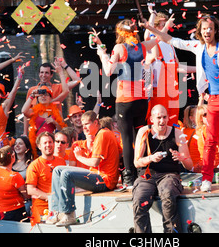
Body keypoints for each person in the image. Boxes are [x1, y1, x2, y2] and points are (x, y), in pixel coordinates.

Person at [145, 14, 219, 192]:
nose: (207, 31)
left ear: (215, 31)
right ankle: (207, 178)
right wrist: (152, 29)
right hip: (214, 98)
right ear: (200, 31)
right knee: (210, 140)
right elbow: (172, 40)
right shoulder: (198, 47)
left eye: (210, 28)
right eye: (204, 28)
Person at [92, 19, 160, 186]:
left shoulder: (119, 48)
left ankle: (129, 179)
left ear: (119, 33)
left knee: (127, 137)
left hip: (126, 100)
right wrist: (152, 26)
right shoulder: (143, 46)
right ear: (134, 31)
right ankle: (143, 173)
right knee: (140, 137)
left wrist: (101, 53)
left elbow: (108, 71)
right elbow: (159, 38)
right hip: (142, 101)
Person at [48, 111, 120, 226]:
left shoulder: (103, 134)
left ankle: (69, 213)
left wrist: (79, 157)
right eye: (83, 124)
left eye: (87, 124)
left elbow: (94, 162)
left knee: (67, 174)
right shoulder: (99, 134)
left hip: (105, 180)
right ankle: (57, 212)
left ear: (96, 122)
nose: (84, 127)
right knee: (58, 170)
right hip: (96, 175)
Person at [132, 104, 193, 233]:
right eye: (159, 117)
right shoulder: (144, 132)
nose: (162, 121)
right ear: (152, 119)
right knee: (139, 200)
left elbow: (190, 165)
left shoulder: (177, 132)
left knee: (168, 195)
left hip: (169, 174)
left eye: (164, 117)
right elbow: (137, 163)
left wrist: (182, 157)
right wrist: (151, 158)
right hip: (147, 175)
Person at [144, 10, 196, 127]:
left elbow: (178, 67)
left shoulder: (170, 45)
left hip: (173, 90)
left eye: (166, 25)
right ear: (155, 27)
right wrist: (154, 16)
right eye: (163, 25)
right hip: (159, 91)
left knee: (172, 123)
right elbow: (147, 35)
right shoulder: (152, 43)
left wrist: (199, 68)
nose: (167, 28)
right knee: (158, 123)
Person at [23, 58, 80, 135]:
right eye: (41, 72)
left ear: (51, 75)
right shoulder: (32, 90)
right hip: (36, 131)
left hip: (54, 130)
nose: (43, 75)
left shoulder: (57, 87)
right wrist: (25, 133)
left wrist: (64, 66)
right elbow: (26, 113)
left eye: (46, 73)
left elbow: (77, 80)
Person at [26, 131, 66, 225]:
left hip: (60, 209)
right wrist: (51, 198)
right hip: (42, 212)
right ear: (39, 146)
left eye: (50, 142)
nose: (48, 145)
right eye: (45, 143)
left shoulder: (61, 161)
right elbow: (30, 190)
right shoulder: (34, 165)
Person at [22, 85, 67, 158]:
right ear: (38, 99)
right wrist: (32, 96)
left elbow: (63, 131)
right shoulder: (34, 111)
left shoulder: (57, 112)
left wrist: (54, 122)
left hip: (52, 146)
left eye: (46, 95)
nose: (43, 97)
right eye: (41, 95)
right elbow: (24, 111)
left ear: (50, 98)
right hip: (38, 146)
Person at [0, 145, 29, 222]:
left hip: (0, 213)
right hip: (16, 212)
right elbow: (26, 195)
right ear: (12, 157)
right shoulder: (15, 176)